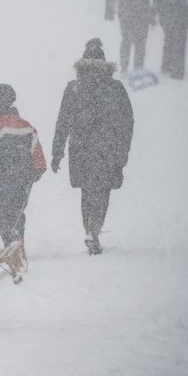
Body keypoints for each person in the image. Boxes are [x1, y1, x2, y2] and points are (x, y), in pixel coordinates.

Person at [51, 39, 134, 256]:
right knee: (103, 191)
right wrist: (123, 149)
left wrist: (56, 152)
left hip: (82, 148)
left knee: (87, 192)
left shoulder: (74, 88)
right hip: (108, 148)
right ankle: (95, 229)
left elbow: (63, 122)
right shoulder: (115, 88)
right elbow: (127, 122)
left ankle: (89, 229)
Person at [0, 84, 46, 250]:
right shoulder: (25, 124)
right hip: (24, 178)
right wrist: (37, 168)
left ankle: (11, 242)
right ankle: (17, 239)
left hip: (1, 177)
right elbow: (36, 147)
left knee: (0, 211)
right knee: (17, 211)